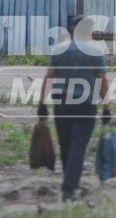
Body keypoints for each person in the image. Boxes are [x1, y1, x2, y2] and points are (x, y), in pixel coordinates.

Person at [38, 16, 111, 203]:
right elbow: (102, 81)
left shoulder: (59, 50)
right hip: (86, 105)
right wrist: (107, 106)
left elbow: (49, 77)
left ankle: (69, 184)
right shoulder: (95, 52)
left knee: (65, 144)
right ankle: (70, 188)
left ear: (71, 30)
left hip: (62, 104)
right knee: (78, 144)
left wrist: (41, 103)